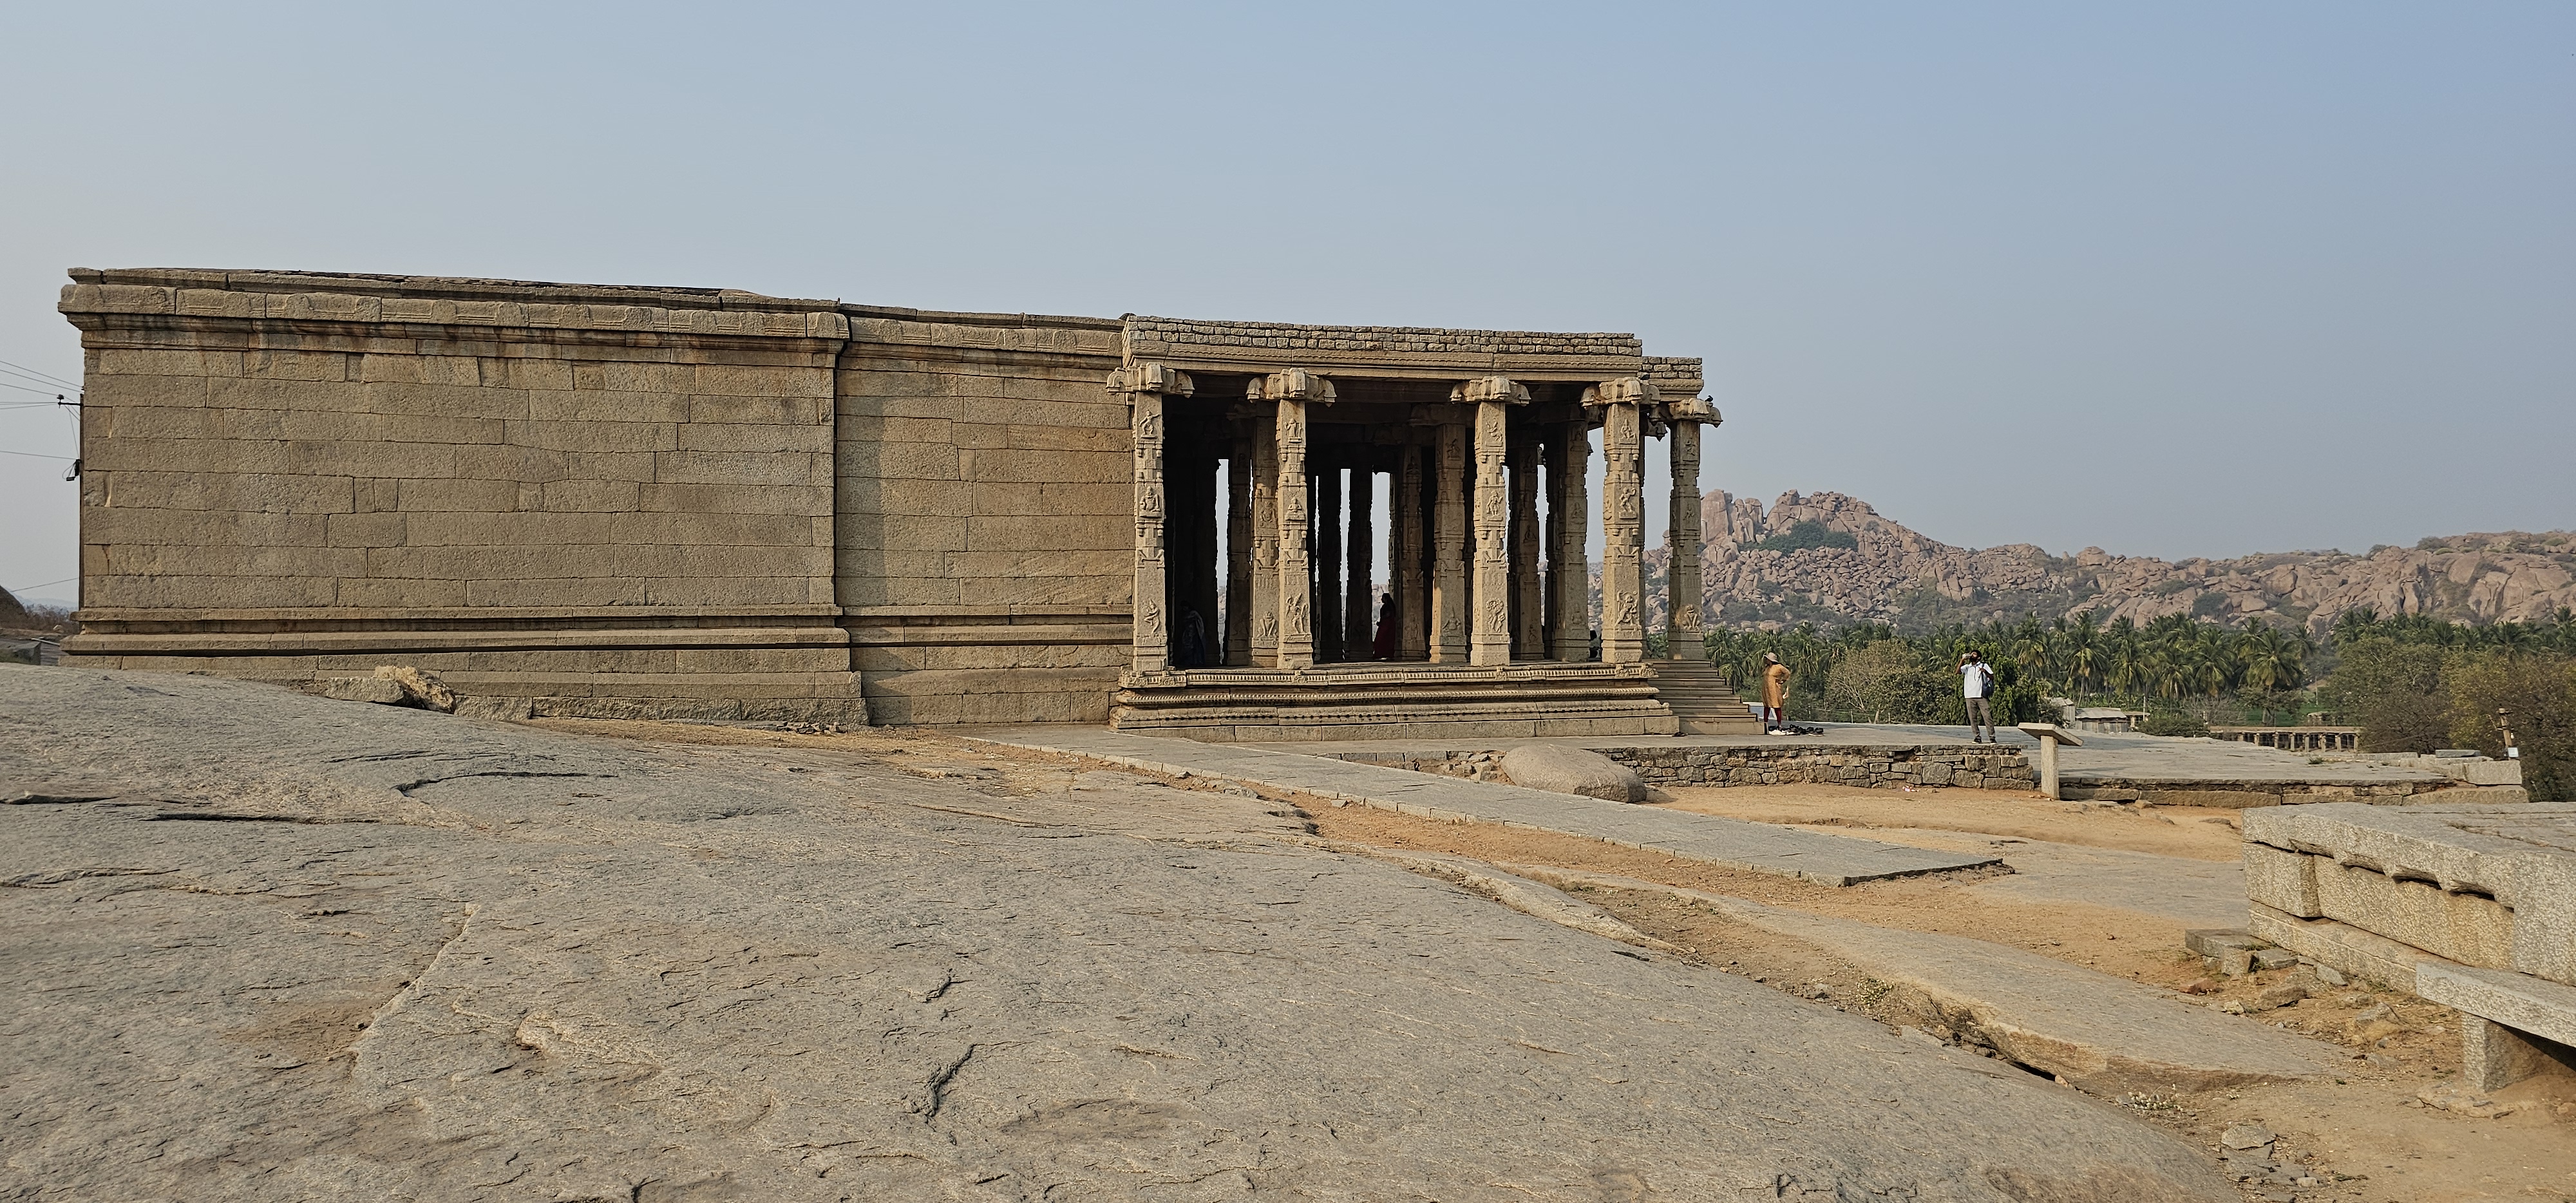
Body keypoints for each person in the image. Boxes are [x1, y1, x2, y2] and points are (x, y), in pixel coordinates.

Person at [1960, 650, 1996, 743]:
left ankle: (1992, 737)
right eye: (1972, 654)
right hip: (1969, 695)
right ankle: (1977, 737)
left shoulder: (1984, 665)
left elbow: (1992, 677)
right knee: (1973, 718)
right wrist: (1962, 661)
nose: (1972, 655)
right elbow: (1957, 672)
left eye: (1974, 654)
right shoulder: (1967, 667)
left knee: (1987, 716)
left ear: (1979, 657)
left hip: (1981, 695)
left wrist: (1985, 672)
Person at [1761, 652, 1790, 734]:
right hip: (1766, 689)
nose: (1766, 661)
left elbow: (1787, 673)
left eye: (1767, 659)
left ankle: (1779, 724)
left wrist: (1782, 681)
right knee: (1767, 705)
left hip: (1774, 688)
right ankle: (1765, 722)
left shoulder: (1778, 667)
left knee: (1777, 705)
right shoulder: (1767, 668)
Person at [1372, 592, 1397, 660]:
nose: (1381, 599)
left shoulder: (1388, 606)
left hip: (1386, 625)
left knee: (1381, 639)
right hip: (1386, 624)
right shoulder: (1389, 606)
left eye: (1383, 598)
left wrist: (1382, 621)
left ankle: (1380, 654)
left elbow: (1388, 615)